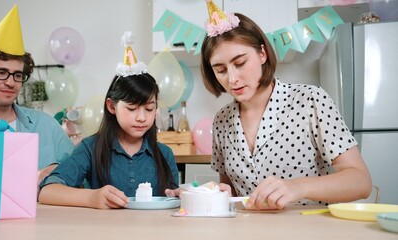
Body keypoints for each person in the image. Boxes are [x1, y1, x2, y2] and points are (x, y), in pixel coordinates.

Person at [167, 0, 372, 210]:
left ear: (262, 54)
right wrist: (211, 194)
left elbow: (361, 182)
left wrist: (298, 187)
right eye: (220, 70)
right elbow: (234, 194)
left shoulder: (310, 100)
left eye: (240, 63)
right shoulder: (222, 121)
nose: (232, 78)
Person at [38, 32, 179, 209]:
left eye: (149, 109)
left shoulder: (164, 154)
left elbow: (175, 204)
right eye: (132, 108)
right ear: (112, 107)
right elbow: (47, 191)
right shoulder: (91, 149)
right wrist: (92, 198)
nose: (142, 117)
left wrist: (181, 195)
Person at [0, 5, 74, 185]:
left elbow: (82, 178)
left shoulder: (47, 127)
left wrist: (58, 174)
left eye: (17, 75)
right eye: (1, 72)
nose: (11, 82)